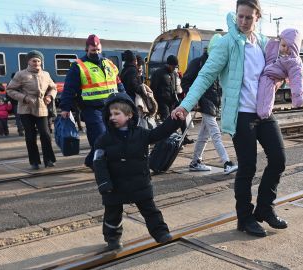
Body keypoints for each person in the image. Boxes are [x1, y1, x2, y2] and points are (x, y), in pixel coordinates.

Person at [172, 0, 288, 237]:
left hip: (264, 113)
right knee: (248, 167)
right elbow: (205, 76)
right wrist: (185, 105)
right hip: (241, 116)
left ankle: (265, 208)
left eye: (249, 17)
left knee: (279, 159)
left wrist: (281, 79)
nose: (244, 22)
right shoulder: (227, 44)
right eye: (240, 17)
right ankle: (244, 218)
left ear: (258, 17)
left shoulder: (265, 44)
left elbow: (274, 74)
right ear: (236, 16)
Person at [93, 92, 181, 250]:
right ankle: (113, 239)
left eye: (116, 113)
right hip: (114, 185)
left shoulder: (141, 134)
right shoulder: (103, 139)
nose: (112, 117)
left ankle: (161, 233)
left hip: (139, 183)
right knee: (112, 214)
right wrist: (104, 183)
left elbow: (159, 133)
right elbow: (98, 162)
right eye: (110, 114)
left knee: (150, 210)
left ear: (129, 115)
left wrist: (174, 121)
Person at [59, 34, 125, 170]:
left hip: (111, 107)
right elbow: (69, 89)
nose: (97, 53)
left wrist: (126, 100)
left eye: (98, 50)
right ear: (86, 50)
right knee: (99, 136)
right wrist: (65, 108)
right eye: (93, 51)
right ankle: (98, 164)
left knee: (112, 136)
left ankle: (91, 160)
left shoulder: (109, 64)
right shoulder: (78, 66)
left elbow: (118, 84)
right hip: (91, 109)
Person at [182, 36, 238, 174]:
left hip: (212, 103)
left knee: (204, 135)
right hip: (205, 103)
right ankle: (226, 163)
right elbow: (186, 82)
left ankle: (195, 161)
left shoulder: (216, 62)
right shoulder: (198, 63)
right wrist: (195, 99)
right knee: (215, 134)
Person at [7, 50, 57, 170]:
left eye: (38, 60)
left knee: (45, 134)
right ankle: (34, 161)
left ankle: (49, 159)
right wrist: (24, 98)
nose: (36, 63)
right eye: (34, 60)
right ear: (28, 61)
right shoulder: (20, 74)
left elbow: (53, 88)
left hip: (42, 108)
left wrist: (50, 96)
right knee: (30, 136)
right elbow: (10, 90)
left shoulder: (46, 74)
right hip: (26, 109)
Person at [256, 28, 303, 119]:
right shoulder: (275, 49)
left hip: (272, 77)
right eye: (282, 45)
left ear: (294, 47)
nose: (284, 48)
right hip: (266, 74)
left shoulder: (294, 62)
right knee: (264, 92)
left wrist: (297, 96)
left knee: (266, 92)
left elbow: (297, 80)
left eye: (288, 46)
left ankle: (263, 113)